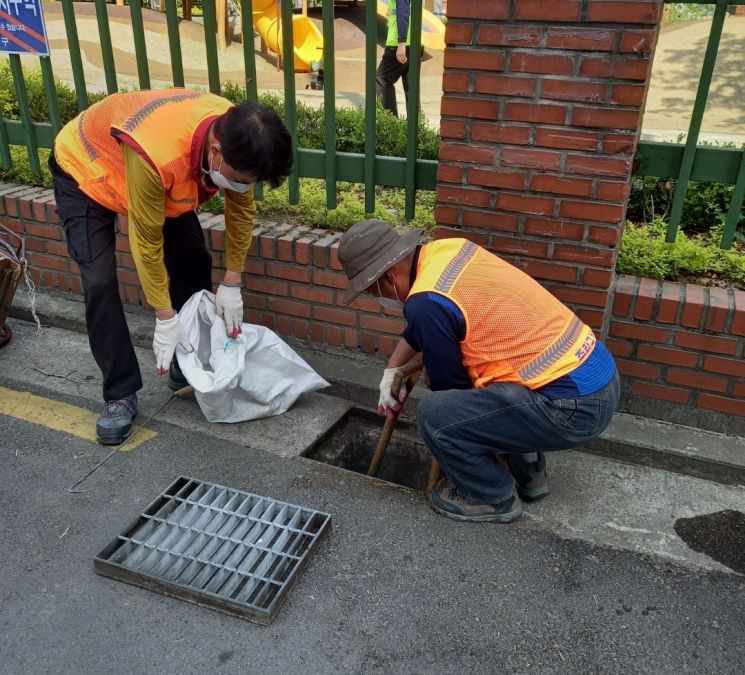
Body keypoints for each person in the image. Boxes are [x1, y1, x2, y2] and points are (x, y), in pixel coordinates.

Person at [49, 89, 292, 445]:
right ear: (215, 152)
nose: (242, 187)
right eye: (240, 179)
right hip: (87, 169)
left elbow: (240, 212)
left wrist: (233, 280)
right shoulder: (159, 154)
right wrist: (165, 318)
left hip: (152, 173)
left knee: (194, 260)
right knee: (99, 281)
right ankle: (119, 392)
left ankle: (185, 362)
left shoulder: (237, 131)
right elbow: (146, 241)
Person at [338, 220, 620, 524]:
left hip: (571, 409)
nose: (377, 297)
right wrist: (392, 369)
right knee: (492, 393)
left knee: (436, 414)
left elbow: (450, 389)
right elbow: (427, 323)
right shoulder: (449, 252)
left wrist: (453, 438)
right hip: (597, 379)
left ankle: (491, 495)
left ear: (389, 276)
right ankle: (530, 474)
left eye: (371, 289)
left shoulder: (425, 303)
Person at [376, 0, 413, 116]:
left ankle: (390, 124)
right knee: (411, 86)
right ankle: (415, 127)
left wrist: (401, 42)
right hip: (415, 42)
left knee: (382, 80)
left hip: (399, 44)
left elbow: (403, 12)